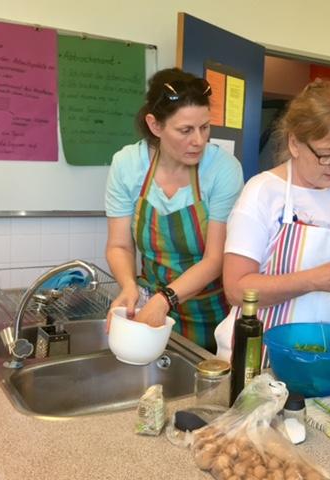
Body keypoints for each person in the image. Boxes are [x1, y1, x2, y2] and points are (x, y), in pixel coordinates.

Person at [216, 80, 330, 364]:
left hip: (324, 358)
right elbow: (237, 289)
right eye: (327, 154)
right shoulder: (262, 192)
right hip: (260, 359)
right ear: (294, 143)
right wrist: (314, 279)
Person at [105, 68, 243, 352]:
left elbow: (215, 258)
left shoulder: (222, 169)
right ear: (155, 125)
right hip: (151, 305)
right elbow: (119, 245)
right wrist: (129, 287)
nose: (199, 140)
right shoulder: (128, 164)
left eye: (204, 127)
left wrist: (165, 299)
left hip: (209, 314)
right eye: (185, 130)